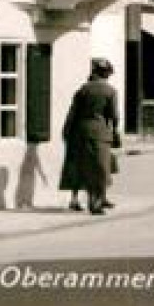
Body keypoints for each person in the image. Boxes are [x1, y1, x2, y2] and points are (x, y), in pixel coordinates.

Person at [61, 58, 119, 216]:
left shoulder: (82, 90)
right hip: (100, 132)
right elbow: (114, 115)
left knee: (81, 166)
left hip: (80, 131)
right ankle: (96, 203)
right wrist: (115, 132)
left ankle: (79, 200)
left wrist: (66, 131)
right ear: (106, 74)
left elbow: (72, 113)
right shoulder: (110, 91)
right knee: (100, 167)